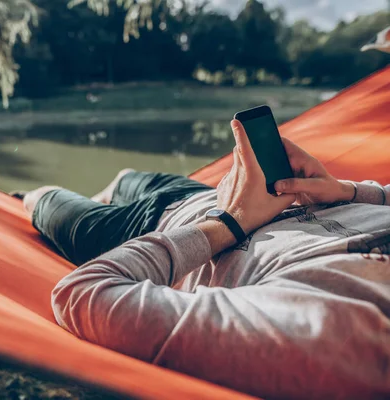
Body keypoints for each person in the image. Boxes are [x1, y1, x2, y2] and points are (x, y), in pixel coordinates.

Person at [21, 120, 390, 399]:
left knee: (44, 199)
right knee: (126, 178)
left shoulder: (330, 340)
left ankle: (27, 195)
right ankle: (116, 185)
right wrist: (342, 190)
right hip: (207, 192)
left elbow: (85, 292)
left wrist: (232, 220)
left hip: (152, 228)